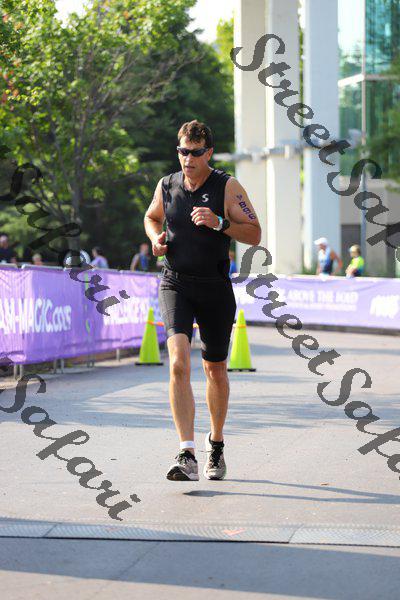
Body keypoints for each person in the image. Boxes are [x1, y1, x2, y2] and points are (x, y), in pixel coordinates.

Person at [144, 119, 261, 482]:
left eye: (195, 153)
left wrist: (220, 223)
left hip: (214, 288)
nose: (188, 159)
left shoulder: (227, 186)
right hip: (175, 282)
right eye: (182, 152)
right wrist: (155, 239)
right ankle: (186, 452)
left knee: (215, 370)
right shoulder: (167, 185)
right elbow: (152, 217)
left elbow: (254, 233)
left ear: (208, 152)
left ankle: (217, 443)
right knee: (178, 363)